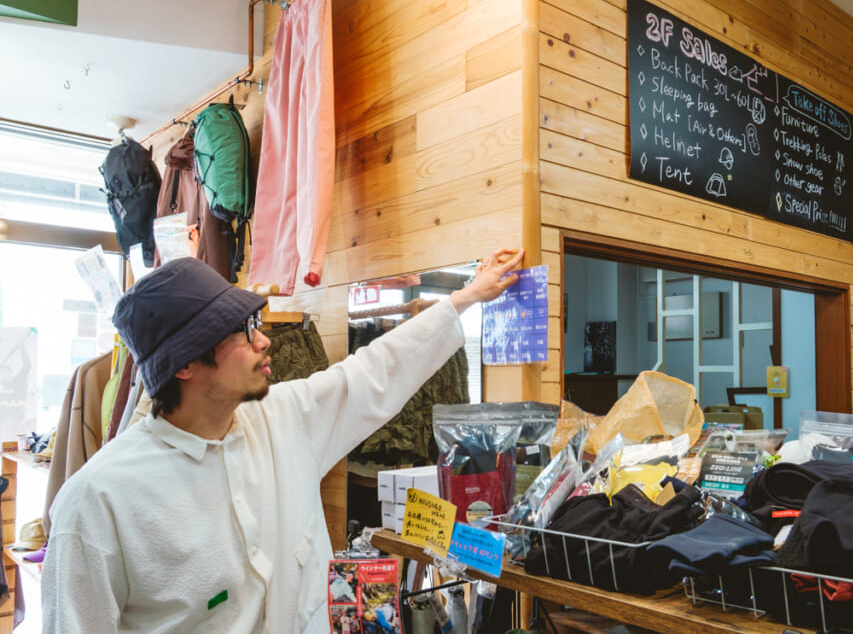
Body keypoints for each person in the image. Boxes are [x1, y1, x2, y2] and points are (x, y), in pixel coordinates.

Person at [41, 248, 525, 633]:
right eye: (241, 330)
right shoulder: (97, 502)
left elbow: (376, 372)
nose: (264, 340)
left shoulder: (282, 418)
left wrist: (466, 297)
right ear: (184, 364)